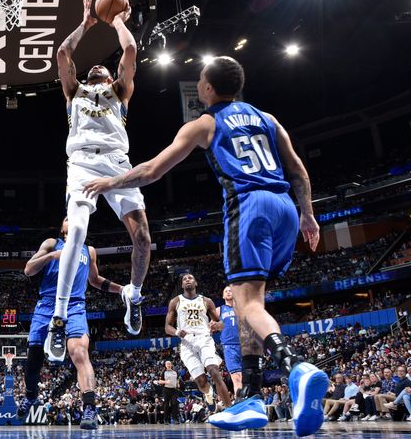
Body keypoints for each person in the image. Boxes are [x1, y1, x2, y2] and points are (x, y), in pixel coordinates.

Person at [83, 56, 328, 436]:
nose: (197, 83)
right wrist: (309, 215)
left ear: (209, 88)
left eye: (199, 79)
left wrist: (109, 183)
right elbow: (298, 170)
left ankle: (297, 366)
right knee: (251, 305)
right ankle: (250, 396)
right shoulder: (268, 118)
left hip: (250, 207)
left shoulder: (206, 123)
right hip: (286, 210)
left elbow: (151, 170)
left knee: (247, 305)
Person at [48, 0, 152, 361]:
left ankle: (134, 296)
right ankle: (58, 319)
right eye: (90, 67)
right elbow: (62, 55)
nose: (94, 67)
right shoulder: (74, 90)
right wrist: (87, 24)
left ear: (109, 77)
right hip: (80, 164)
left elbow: (129, 50)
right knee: (75, 231)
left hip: (117, 163)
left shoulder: (120, 90)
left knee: (142, 237)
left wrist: (117, 20)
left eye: (100, 68)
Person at [16, 217, 124, 429]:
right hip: (47, 304)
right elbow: (29, 270)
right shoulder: (51, 243)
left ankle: (90, 408)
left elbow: (94, 280)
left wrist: (121, 289)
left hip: (75, 306)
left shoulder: (89, 250)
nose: (72, 219)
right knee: (34, 360)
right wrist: (53, 256)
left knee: (79, 352)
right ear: (62, 227)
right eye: (67, 218)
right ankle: (30, 396)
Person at [165, 273, 232, 410]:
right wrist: (177, 332)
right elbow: (167, 327)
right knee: (201, 382)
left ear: (195, 283)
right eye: (184, 279)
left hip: (204, 339)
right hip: (187, 343)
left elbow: (220, 324)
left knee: (214, 371)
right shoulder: (175, 301)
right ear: (182, 285)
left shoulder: (206, 301)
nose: (187, 280)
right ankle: (208, 393)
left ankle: (230, 410)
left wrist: (216, 326)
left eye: (190, 278)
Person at [215, 286, 242, 395]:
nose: (228, 292)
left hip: (244, 345)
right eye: (225, 291)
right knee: (236, 378)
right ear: (223, 295)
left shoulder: (242, 308)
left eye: (230, 290)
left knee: (246, 378)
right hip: (229, 346)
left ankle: (247, 401)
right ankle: (240, 402)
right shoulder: (219, 310)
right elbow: (210, 328)